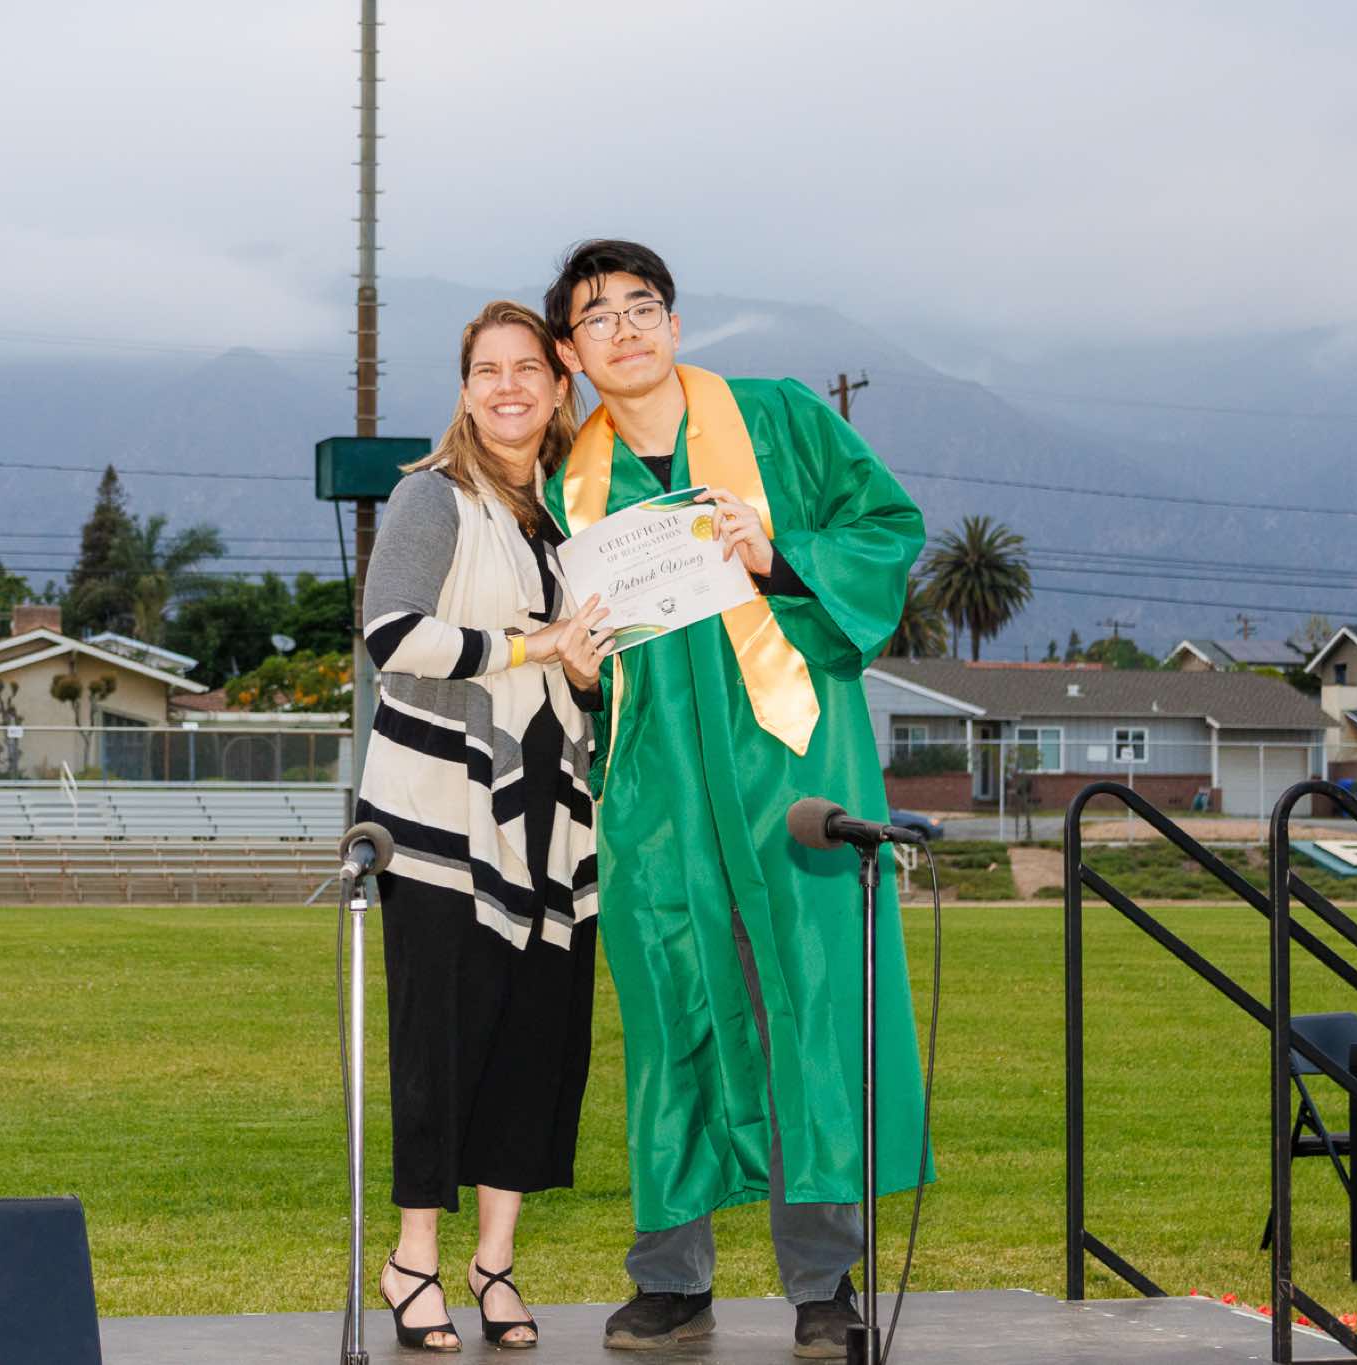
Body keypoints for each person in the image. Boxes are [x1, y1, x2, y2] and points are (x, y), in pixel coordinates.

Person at [539, 240, 934, 1358]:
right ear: (572, 352)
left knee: (807, 1010)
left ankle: (824, 1287)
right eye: (598, 317)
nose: (625, 329)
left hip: (790, 776)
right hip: (657, 788)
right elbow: (572, 649)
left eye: (643, 307)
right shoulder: (569, 484)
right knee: (673, 1018)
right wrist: (579, 670)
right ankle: (670, 1279)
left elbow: (888, 527)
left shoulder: (779, 418)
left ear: (675, 323)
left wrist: (779, 552)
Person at [355, 299, 611, 1352]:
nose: (508, 387)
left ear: (558, 388)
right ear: (464, 391)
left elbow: (585, 674)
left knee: (533, 1047)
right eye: (487, 371)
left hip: (551, 818)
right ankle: (413, 1260)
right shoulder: (432, 496)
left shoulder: (571, 517)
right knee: (440, 1046)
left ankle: (494, 1263)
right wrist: (531, 646)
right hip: (436, 819)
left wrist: (583, 674)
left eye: (527, 370)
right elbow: (389, 635)